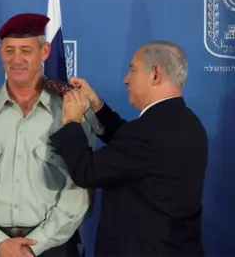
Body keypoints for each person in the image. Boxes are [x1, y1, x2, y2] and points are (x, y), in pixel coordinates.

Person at [0, 13, 101, 257]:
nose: (16, 59)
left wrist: (36, 245)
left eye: (26, 50)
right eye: (9, 50)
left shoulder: (71, 111)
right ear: (0, 52)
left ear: (45, 52)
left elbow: (80, 188)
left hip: (53, 248)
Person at [49, 41, 208, 256]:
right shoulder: (188, 123)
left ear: (155, 74)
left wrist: (71, 122)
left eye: (132, 70)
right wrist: (96, 105)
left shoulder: (146, 133)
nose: (126, 79)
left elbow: (86, 171)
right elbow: (130, 148)